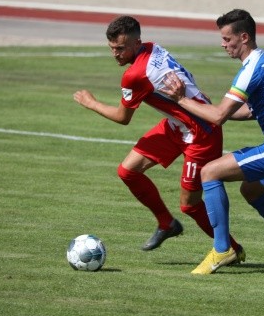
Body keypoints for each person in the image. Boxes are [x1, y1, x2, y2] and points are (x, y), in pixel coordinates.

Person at [73, 15, 245, 262]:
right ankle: (167, 223)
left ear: (136, 43)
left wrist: (91, 103)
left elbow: (123, 118)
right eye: (112, 48)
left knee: (190, 205)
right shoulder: (154, 48)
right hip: (177, 125)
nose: (116, 54)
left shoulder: (135, 75)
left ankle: (232, 249)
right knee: (127, 171)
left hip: (200, 134)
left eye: (121, 48)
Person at [161, 8, 264, 275]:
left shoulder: (251, 69)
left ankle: (222, 249)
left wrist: (181, 100)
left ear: (243, 37)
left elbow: (220, 117)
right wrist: (209, 107)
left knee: (209, 172)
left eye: (227, 39)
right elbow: (252, 111)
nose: (223, 45)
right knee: (251, 190)